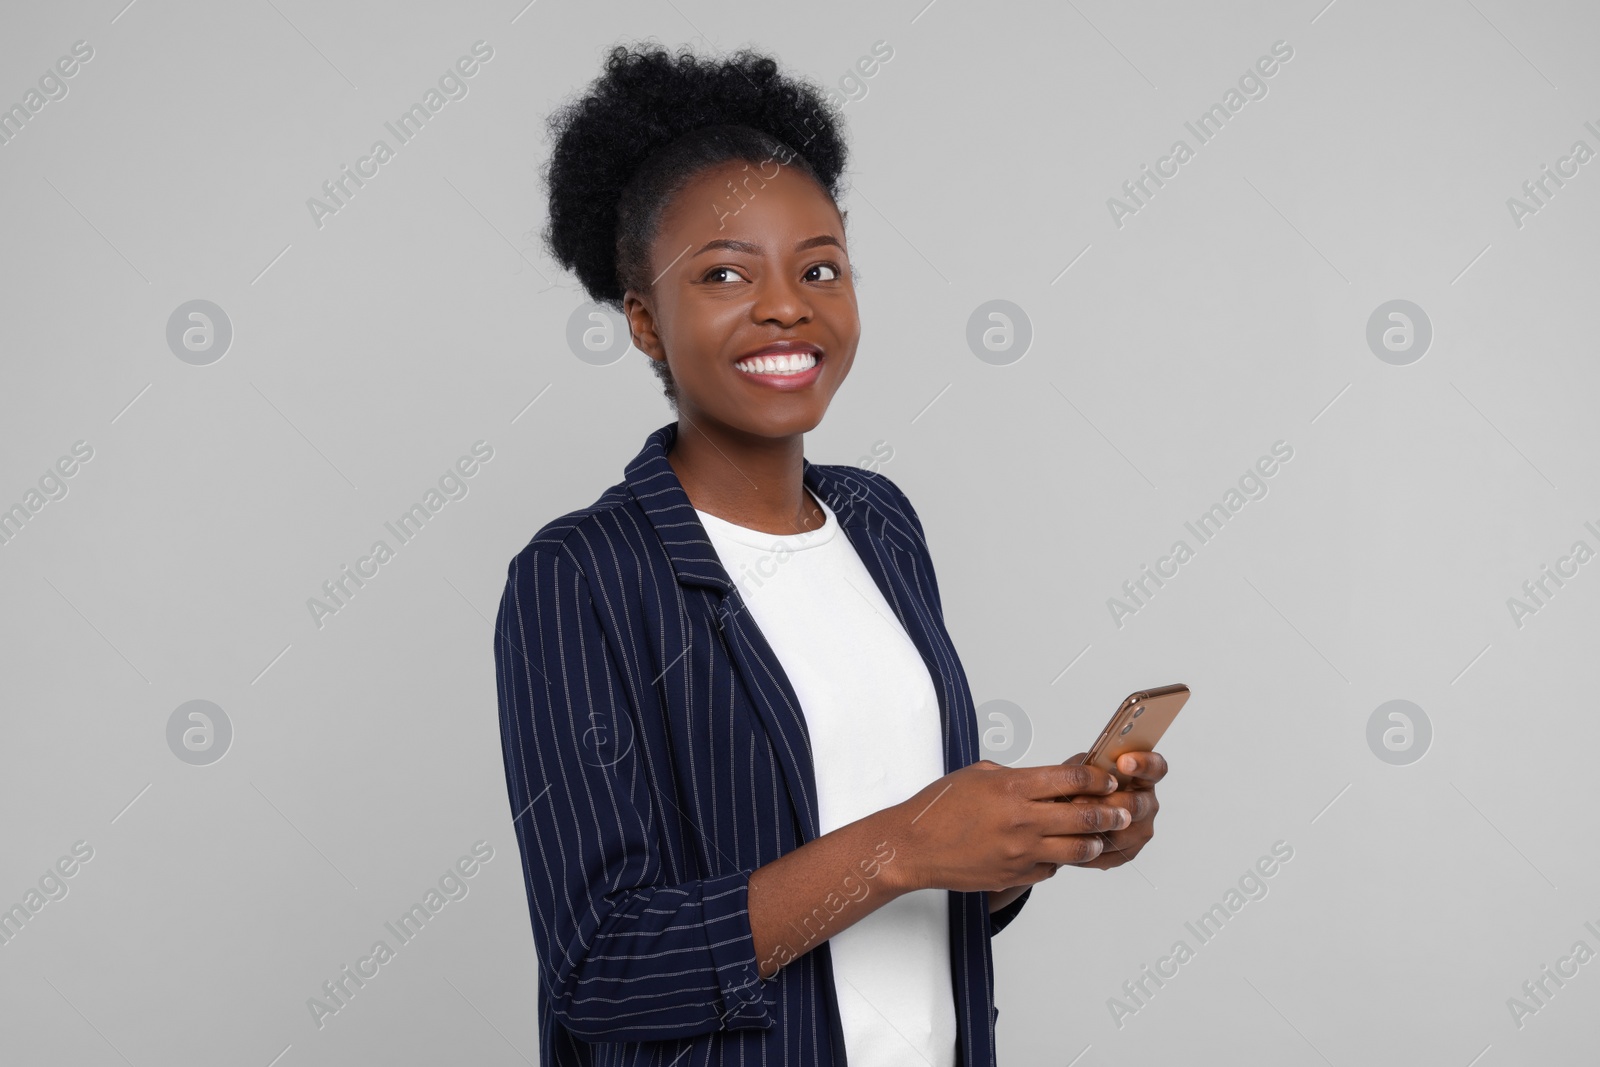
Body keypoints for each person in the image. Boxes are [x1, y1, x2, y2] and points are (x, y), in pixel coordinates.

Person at [494, 41, 1168, 1067]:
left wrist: (1025, 842)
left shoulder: (880, 521)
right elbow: (605, 965)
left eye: (820, 267)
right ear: (643, 321)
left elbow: (902, 903)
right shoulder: (580, 577)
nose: (785, 305)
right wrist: (902, 844)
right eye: (724, 273)